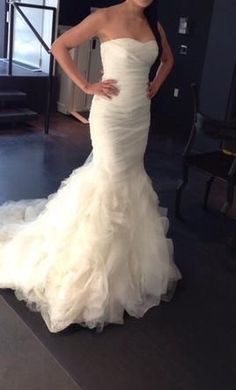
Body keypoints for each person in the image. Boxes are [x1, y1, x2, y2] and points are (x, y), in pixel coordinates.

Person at [0, 0, 181, 333]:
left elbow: (168, 59)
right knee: (108, 176)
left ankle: (126, 264)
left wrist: (155, 85)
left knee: (130, 178)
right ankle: (93, 267)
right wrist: (85, 85)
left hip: (139, 115)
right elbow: (59, 46)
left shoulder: (155, 25)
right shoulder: (104, 16)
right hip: (111, 114)